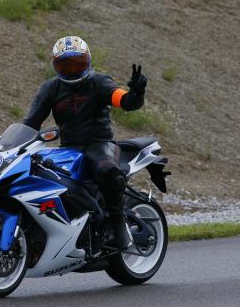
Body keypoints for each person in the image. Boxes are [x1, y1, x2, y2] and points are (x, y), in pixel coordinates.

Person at [23, 36, 147, 249]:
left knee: (107, 169)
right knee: (38, 173)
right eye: (65, 65)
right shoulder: (50, 88)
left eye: (77, 63)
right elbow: (30, 124)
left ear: (87, 61)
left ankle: (118, 224)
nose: (72, 70)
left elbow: (124, 101)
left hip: (99, 144)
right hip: (68, 149)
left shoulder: (99, 82)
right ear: (56, 66)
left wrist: (136, 93)